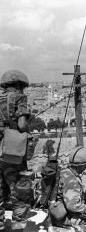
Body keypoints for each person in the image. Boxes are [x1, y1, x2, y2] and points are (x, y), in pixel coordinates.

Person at [0, 70, 32, 230]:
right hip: (11, 152)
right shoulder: (20, 98)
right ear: (20, 85)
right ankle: (18, 225)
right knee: (21, 190)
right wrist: (27, 129)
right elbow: (21, 125)